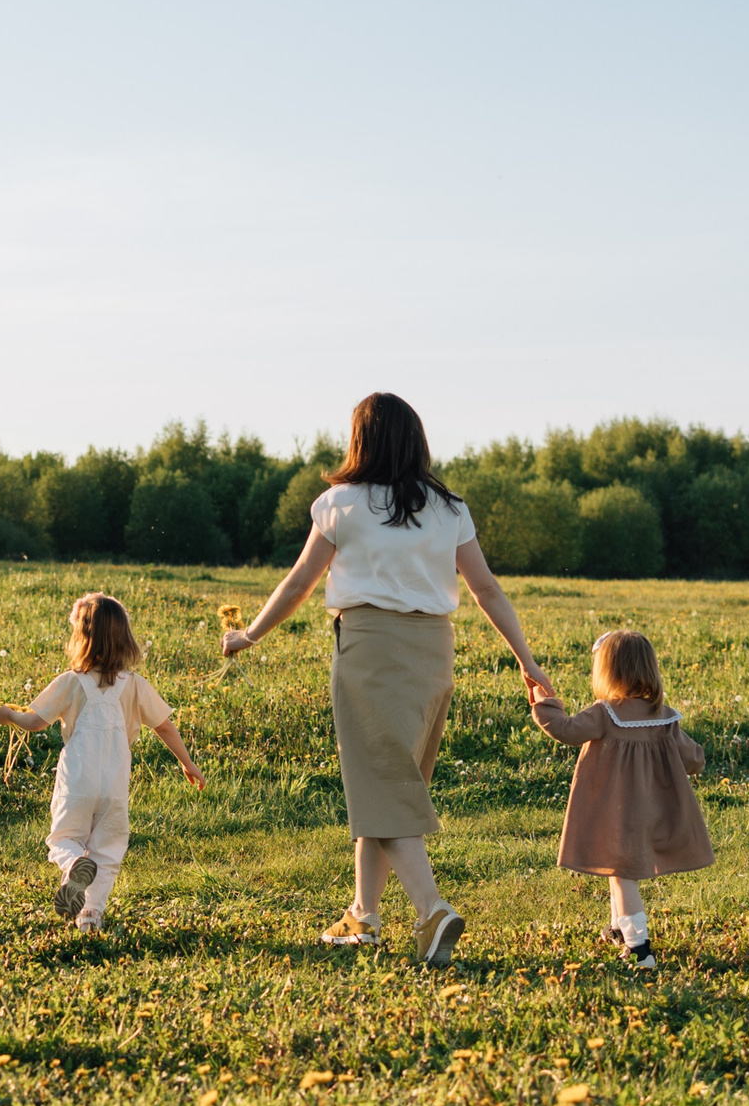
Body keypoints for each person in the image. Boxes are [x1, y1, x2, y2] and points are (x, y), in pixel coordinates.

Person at [222, 392, 552, 964]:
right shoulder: (449, 508)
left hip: (370, 649)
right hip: (433, 651)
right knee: (387, 784)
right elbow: (487, 590)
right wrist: (527, 660)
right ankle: (364, 916)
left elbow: (300, 583)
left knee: (383, 784)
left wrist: (249, 634)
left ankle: (432, 910)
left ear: (361, 441)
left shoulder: (340, 504)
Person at [0, 592, 205, 933]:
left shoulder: (71, 682)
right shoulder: (135, 685)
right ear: (124, 640)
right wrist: (187, 763)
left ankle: (73, 865)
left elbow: (34, 722)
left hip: (77, 781)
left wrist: (4, 713)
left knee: (63, 838)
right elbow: (163, 725)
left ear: (80, 638)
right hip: (114, 784)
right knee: (109, 850)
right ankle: (90, 914)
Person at [527, 629, 712, 970]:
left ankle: (640, 947)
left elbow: (565, 730)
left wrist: (543, 704)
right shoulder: (665, 717)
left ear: (607, 671)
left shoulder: (605, 713)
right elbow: (694, 761)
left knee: (621, 873)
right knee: (618, 871)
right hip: (653, 813)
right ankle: (616, 928)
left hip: (615, 813)